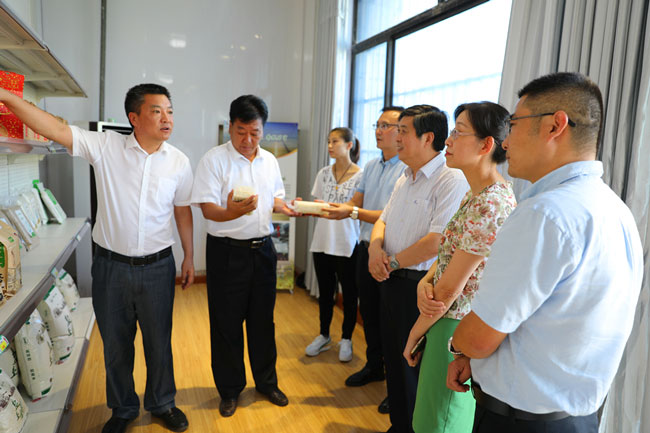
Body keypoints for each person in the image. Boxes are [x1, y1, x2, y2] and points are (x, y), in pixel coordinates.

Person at [445, 72, 643, 433]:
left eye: (514, 124)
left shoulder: (543, 214)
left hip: (520, 421)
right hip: (576, 418)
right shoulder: (615, 210)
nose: (507, 141)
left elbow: (478, 337)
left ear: (555, 125)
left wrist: (459, 346)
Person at [0, 83, 195, 433]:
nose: (166, 118)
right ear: (134, 117)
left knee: (159, 342)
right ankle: (123, 409)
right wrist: (7, 97)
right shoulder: (106, 146)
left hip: (158, 267)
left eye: (169, 111)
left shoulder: (179, 161)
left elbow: (182, 211)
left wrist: (189, 256)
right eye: (156, 111)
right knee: (116, 345)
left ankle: (163, 403)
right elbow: (55, 129)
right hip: (111, 268)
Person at [402, 102, 516, 433]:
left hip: (455, 325)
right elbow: (449, 254)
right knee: (431, 417)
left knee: (440, 422)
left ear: (486, 145)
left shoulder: (491, 203)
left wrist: (413, 334)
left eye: (458, 132)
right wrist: (425, 281)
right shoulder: (476, 194)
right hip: (444, 318)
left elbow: (451, 288)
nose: (448, 140)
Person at [191, 94, 296, 419]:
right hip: (226, 253)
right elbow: (208, 210)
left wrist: (288, 207)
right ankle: (229, 390)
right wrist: (232, 213)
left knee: (263, 322)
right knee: (226, 324)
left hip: (263, 250)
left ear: (263, 130)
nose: (248, 140)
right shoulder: (214, 160)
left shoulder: (270, 160)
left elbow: (275, 199)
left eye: (255, 132)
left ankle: (266, 383)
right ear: (230, 127)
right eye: (241, 132)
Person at [369, 105, 469, 433]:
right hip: (391, 279)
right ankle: (398, 426)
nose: (395, 137)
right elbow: (383, 219)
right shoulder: (405, 175)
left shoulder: (450, 178)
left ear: (427, 137)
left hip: (419, 286)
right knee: (394, 362)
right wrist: (374, 249)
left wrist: (392, 261)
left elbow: (438, 241)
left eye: (402, 131)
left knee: (414, 368)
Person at [324, 106, 407, 414]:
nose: (379, 131)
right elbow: (355, 202)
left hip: (391, 254)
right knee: (368, 312)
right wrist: (331, 208)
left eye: (387, 126)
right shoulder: (371, 166)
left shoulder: (407, 169)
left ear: (402, 132)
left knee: (391, 321)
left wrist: (352, 212)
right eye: (378, 124)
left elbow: (389, 215)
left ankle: (396, 387)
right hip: (364, 247)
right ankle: (374, 366)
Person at [305, 127, 363, 362]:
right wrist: (307, 208)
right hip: (322, 242)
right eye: (328, 141)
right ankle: (324, 335)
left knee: (349, 294)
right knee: (325, 293)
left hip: (348, 243)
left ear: (349, 145)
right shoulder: (323, 173)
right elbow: (318, 205)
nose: (330, 146)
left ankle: (346, 338)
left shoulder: (361, 175)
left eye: (335, 141)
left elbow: (360, 210)